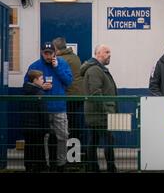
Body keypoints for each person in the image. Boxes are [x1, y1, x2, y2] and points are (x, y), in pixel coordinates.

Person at [24, 42, 72, 172]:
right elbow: (26, 85)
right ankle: (46, 165)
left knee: (63, 136)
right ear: (41, 52)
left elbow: (69, 81)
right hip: (42, 110)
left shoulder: (62, 64)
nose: (48, 56)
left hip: (59, 108)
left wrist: (57, 68)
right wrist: (40, 87)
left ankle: (61, 164)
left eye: (50, 53)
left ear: (54, 53)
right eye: (45, 53)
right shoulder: (34, 66)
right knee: (43, 138)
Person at [81, 44, 118, 172]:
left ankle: (93, 168)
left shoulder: (98, 69)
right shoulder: (95, 70)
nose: (109, 54)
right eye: (106, 52)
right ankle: (110, 168)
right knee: (108, 142)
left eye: (110, 52)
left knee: (93, 141)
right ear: (98, 54)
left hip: (96, 114)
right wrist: (106, 112)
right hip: (101, 115)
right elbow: (95, 93)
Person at [53, 37, 86, 166]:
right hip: (79, 96)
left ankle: (69, 159)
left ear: (56, 48)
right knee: (77, 127)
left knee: (67, 128)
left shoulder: (61, 60)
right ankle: (75, 158)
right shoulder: (75, 57)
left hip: (69, 97)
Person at [22, 70, 50, 172]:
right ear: (35, 80)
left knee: (28, 147)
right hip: (38, 127)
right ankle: (40, 167)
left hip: (27, 126)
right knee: (39, 148)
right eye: (41, 78)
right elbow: (43, 113)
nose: (43, 80)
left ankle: (28, 167)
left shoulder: (24, 91)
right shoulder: (39, 93)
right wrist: (47, 128)